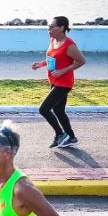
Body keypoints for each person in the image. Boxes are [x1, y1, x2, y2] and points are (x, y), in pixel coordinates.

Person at [32, 16, 86, 148]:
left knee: (44, 109)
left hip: (64, 83)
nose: (48, 30)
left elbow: (81, 61)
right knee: (59, 111)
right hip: (54, 80)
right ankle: (72, 138)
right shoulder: (53, 40)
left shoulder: (69, 45)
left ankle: (60, 134)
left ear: (62, 28)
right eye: (48, 27)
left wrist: (62, 71)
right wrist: (41, 64)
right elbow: (52, 58)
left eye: (52, 27)